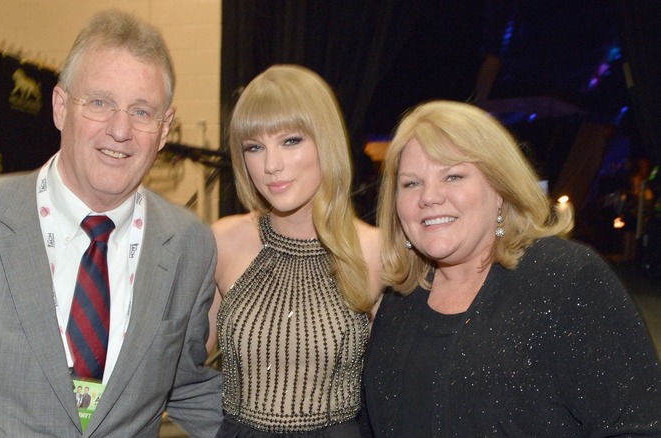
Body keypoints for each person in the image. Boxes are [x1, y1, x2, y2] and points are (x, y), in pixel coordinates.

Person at [0, 9, 222, 437]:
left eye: (142, 111)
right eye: (100, 102)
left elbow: (184, 382)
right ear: (61, 107)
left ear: (165, 127)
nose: (120, 130)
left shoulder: (190, 246)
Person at [360, 100, 661, 436]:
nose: (429, 196)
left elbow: (638, 426)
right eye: (411, 183)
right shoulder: (401, 297)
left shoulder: (565, 279)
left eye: (453, 176)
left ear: (500, 189)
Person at [210, 64, 384, 436]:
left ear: (327, 141)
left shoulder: (376, 252)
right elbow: (173, 367)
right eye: (255, 147)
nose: (272, 165)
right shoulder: (223, 242)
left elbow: (398, 387)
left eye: (291, 141)